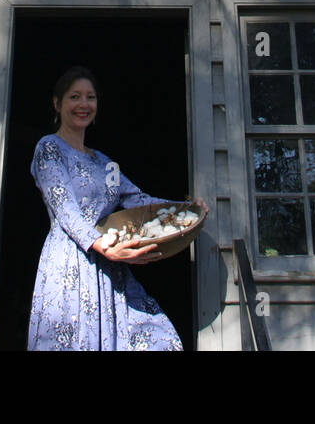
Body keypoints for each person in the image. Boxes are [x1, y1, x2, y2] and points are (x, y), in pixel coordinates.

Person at [27, 66, 209, 351]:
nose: (84, 105)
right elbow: (65, 207)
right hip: (71, 262)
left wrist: (186, 210)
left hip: (110, 265)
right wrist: (102, 246)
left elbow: (137, 199)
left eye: (91, 97)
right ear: (57, 103)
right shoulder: (49, 148)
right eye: (75, 97)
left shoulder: (105, 163)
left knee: (159, 339)